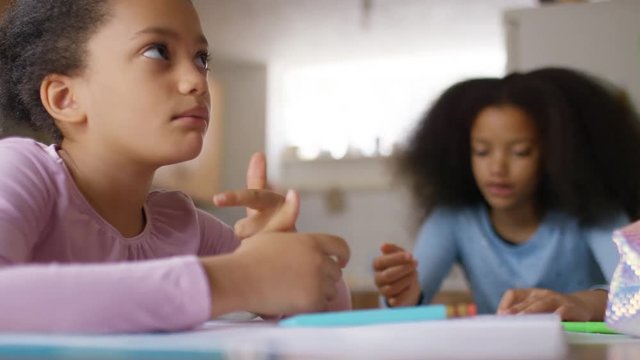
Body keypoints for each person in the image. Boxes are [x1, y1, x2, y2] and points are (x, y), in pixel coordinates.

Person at [0, 0, 350, 333]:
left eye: (201, 58)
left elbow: (326, 317)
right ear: (66, 98)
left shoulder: (182, 224)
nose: (197, 81)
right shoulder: (22, 170)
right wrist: (238, 279)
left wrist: (284, 258)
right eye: (158, 51)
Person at [372, 68, 640, 321]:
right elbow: (400, 311)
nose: (497, 168)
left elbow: (636, 293)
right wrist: (401, 297)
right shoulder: (454, 219)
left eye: (520, 151)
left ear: (554, 154)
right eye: (482, 151)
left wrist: (583, 303)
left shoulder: (592, 210)